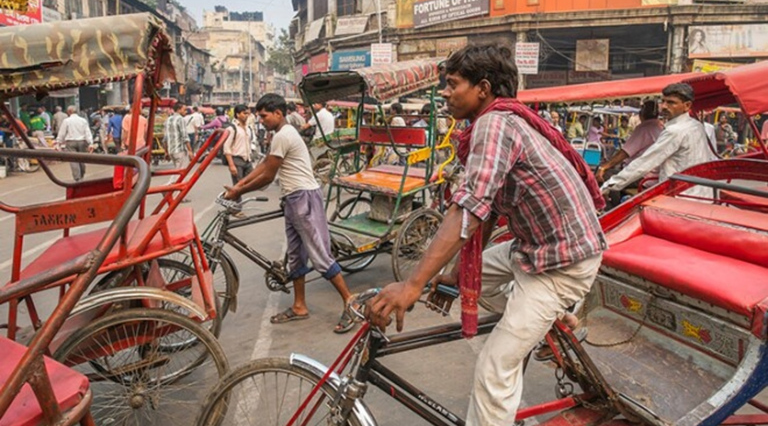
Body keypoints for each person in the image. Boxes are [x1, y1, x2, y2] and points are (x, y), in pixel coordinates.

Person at [367, 45, 606, 426]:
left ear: (482, 88)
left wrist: (412, 284)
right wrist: (456, 274)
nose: (445, 93)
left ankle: (548, 314)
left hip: (562, 262)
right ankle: (553, 318)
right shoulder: (499, 121)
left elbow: (468, 208)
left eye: (452, 84)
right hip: (533, 248)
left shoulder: (496, 124)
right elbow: (488, 210)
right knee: (473, 284)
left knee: (494, 368)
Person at [223, 93, 359, 334]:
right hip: (294, 199)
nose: (261, 120)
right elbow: (265, 164)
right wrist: (239, 185)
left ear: (278, 113)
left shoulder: (284, 135)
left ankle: (351, 302)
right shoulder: (280, 136)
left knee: (319, 256)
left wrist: (238, 191)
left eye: (264, 116)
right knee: (296, 256)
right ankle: (299, 306)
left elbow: (268, 175)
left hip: (303, 198)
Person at [601, 83, 715, 197]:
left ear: (687, 105)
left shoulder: (675, 131)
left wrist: (606, 187)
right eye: (663, 101)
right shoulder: (696, 126)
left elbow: (645, 163)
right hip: (700, 193)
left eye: (671, 102)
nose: (664, 106)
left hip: (680, 195)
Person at [223, 105, 254, 210]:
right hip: (237, 159)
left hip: (247, 160)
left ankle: (227, 197)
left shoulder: (248, 128)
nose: (246, 115)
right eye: (244, 113)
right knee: (237, 185)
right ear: (237, 114)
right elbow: (227, 147)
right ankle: (236, 209)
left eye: (247, 113)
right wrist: (231, 164)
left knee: (250, 181)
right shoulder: (232, 129)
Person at [56, 106, 93, 181]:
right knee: (82, 158)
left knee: (73, 160)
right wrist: (90, 143)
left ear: (69, 112)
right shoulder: (83, 120)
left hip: (70, 142)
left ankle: (77, 177)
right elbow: (87, 132)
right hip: (82, 142)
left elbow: (62, 133)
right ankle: (82, 174)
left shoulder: (66, 121)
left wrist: (58, 142)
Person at [164, 103, 192, 186]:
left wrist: (166, 151)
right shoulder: (180, 119)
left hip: (171, 150)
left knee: (178, 171)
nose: (185, 111)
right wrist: (190, 150)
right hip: (179, 150)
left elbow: (165, 138)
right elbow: (184, 136)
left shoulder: (168, 119)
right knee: (180, 173)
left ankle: (175, 193)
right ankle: (168, 187)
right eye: (184, 109)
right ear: (179, 109)